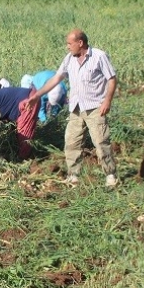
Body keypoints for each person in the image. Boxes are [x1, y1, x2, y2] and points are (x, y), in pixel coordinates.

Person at [26, 29, 118, 187]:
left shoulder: (98, 56)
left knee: (101, 142)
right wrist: (37, 95)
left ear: (80, 43)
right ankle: (73, 175)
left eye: (70, 43)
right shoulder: (69, 59)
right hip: (76, 108)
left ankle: (110, 175)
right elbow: (56, 78)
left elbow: (112, 79)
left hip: (95, 107)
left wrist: (107, 101)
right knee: (72, 142)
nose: (67, 47)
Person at [0, 86, 40, 160]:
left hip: (28, 101)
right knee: (19, 131)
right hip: (29, 97)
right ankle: (22, 154)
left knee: (24, 134)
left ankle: (23, 160)